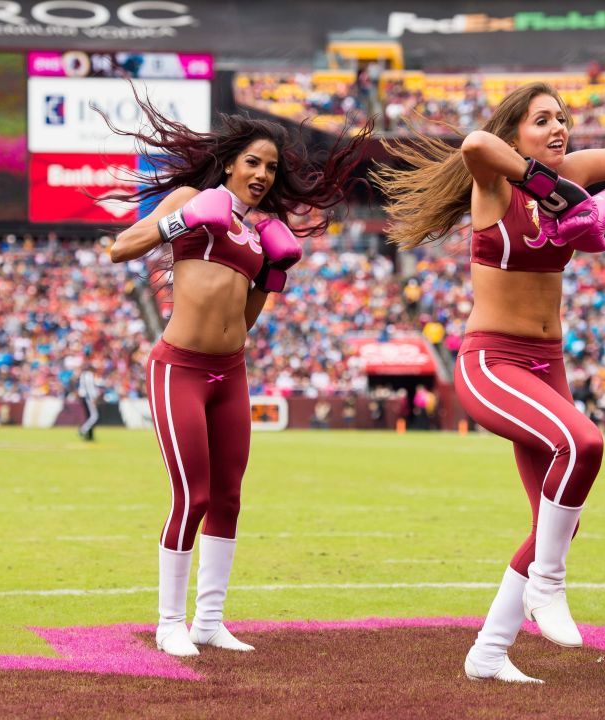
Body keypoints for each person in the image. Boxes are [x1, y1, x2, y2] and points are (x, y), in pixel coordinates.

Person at [376, 81, 605, 682]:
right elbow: (476, 143)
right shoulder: (496, 182)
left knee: (557, 517)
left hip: (549, 361)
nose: (559, 127)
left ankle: (489, 651)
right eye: (543, 120)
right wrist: (556, 190)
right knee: (584, 443)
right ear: (519, 133)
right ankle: (547, 587)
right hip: (493, 362)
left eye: (563, 118)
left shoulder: (581, 168)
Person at [106, 97, 367, 657]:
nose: (262, 174)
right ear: (229, 164)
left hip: (231, 372)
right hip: (179, 367)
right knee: (191, 497)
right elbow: (119, 249)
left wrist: (271, 279)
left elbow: (243, 322)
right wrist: (181, 220)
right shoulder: (191, 200)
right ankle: (168, 621)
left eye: (270, 168)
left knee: (228, 497)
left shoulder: (261, 232)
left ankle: (210, 621)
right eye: (253, 162)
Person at [76, 366, 100, 441]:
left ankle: (89, 435)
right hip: (88, 398)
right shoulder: (89, 375)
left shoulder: (83, 375)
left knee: (89, 416)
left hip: (84, 397)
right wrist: (93, 398)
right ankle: (83, 430)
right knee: (94, 416)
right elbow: (90, 387)